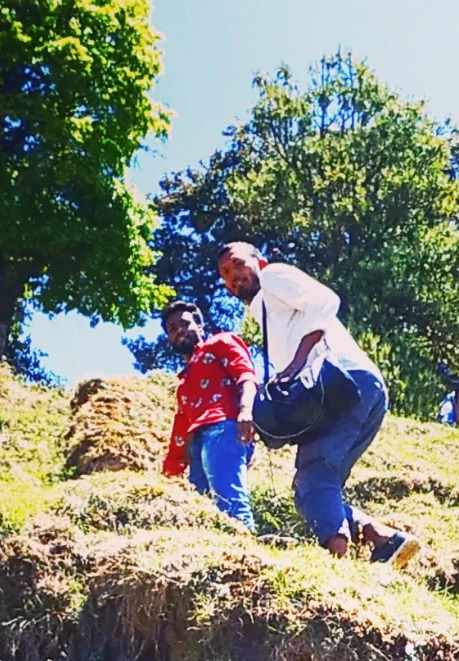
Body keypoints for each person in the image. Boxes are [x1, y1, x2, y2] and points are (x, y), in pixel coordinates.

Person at [216, 243, 419, 568]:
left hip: (342, 380)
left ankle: (335, 567)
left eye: (238, 265)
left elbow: (325, 301)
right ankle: (382, 539)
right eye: (225, 274)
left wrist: (296, 364)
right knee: (311, 486)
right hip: (357, 389)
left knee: (313, 477)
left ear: (259, 262)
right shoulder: (263, 311)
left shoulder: (273, 277)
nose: (233, 277)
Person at [161, 299, 257, 530]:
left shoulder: (220, 343)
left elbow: (245, 374)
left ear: (200, 327)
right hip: (197, 443)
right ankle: (224, 550)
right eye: (172, 329)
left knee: (228, 500)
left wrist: (246, 409)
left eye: (184, 323)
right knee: (203, 508)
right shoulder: (184, 381)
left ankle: (245, 548)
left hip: (223, 429)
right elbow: (181, 425)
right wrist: (170, 470)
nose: (179, 331)